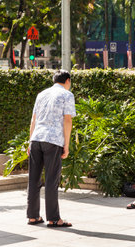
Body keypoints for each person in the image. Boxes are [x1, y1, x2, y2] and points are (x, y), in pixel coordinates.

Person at [26, 70, 76, 227]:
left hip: (36, 139)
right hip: (53, 140)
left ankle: (33, 216)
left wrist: (29, 141)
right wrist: (66, 145)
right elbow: (67, 120)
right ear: (67, 81)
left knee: (33, 179)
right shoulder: (67, 95)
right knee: (51, 180)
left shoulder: (41, 94)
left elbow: (33, 120)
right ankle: (54, 219)